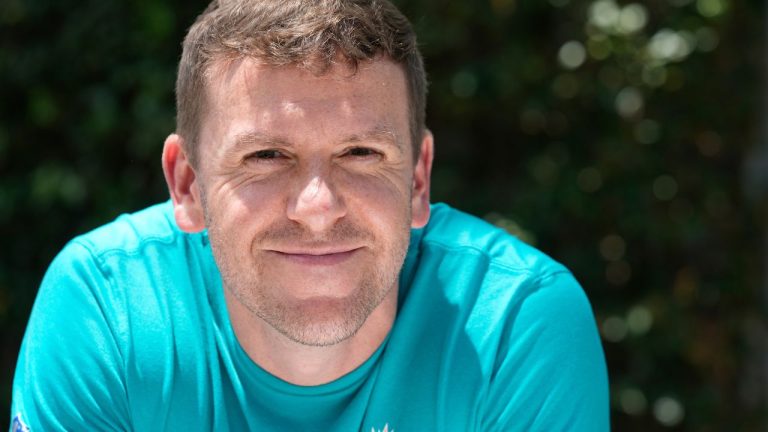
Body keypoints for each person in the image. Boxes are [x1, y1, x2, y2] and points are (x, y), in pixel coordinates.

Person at [11, 0, 609, 430]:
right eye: (267, 155)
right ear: (187, 183)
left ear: (418, 179)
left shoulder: (516, 321)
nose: (317, 208)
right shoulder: (107, 306)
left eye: (361, 153)